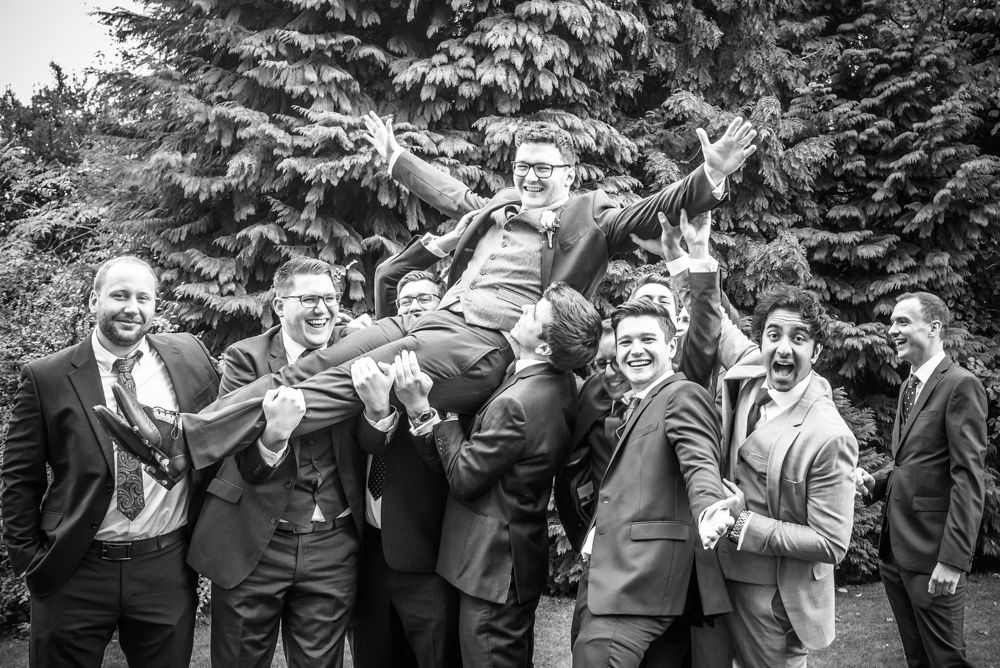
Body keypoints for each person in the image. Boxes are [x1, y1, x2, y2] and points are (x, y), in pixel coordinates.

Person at [96, 113, 757, 486]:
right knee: (304, 370)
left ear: (569, 176)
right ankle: (180, 436)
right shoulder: (499, 207)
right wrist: (397, 162)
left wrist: (710, 176)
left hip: (488, 346)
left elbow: (655, 208)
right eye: (522, 165)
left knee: (347, 384)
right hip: (439, 318)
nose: (529, 176)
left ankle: (183, 445)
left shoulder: (592, 218)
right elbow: (449, 195)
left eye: (543, 169)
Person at [0, 256, 220, 667]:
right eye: (119, 295)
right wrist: (31, 562)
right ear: (93, 300)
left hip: (165, 568)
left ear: (156, 306)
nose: (131, 307)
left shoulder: (188, 355)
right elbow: (19, 480)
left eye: (143, 298)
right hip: (75, 569)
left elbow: (219, 428)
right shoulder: (46, 377)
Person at [186, 258, 391, 667]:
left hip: (332, 544)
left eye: (330, 299)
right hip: (254, 542)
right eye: (309, 299)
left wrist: (377, 409)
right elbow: (239, 457)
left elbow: (371, 447)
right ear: (280, 306)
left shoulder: (356, 352)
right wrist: (273, 436)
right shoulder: (245, 358)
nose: (323, 309)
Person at [385, 282, 602, 667]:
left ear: (547, 347)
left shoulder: (517, 404)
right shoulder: (562, 383)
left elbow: (466, 479)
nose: (524, 310)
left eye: (535, 313)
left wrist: (426, 410)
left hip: (494, 570)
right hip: (512, 561)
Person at [699, 284, 858, 667]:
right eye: (774, 336)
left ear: (816, 351)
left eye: (798, 338)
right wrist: (680, 254)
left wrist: (744, 524)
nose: (784, 348)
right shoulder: (752, 370)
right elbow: (716, 321)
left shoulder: (830, 435)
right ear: (761, 343)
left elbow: (831, 543)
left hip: (772, 595)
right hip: (717, 579)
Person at [571, 299, 731, 667]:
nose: (635, 350)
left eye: (647, 339)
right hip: (613, 576)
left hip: (636, 581)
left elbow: (699, 461)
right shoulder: (641, 402)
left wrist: (708, 508)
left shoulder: (682, 394)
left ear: (671, 347)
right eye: (625, 342)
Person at [855, 292, 987, 668]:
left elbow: (967, 479)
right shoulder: (908, 386)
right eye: (891, 322)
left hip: (933, 557)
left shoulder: (960, 385)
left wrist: (953, 560)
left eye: (902, 322)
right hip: (895, 555)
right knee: (918, 659)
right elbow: (911, 462)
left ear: (933, 328)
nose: (891, 330)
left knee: (946, 661)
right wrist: (876, 483)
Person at [350, 263, 461, 668]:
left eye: (424, 299)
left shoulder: (456, 372)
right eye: (405, 302)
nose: (414, 307)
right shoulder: (371, 363)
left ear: (443, 303)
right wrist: (377, 409)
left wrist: (420, 409)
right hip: (369, 553)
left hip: (426, 552)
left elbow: (449, 465)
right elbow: (362, 442)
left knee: (435, 657)